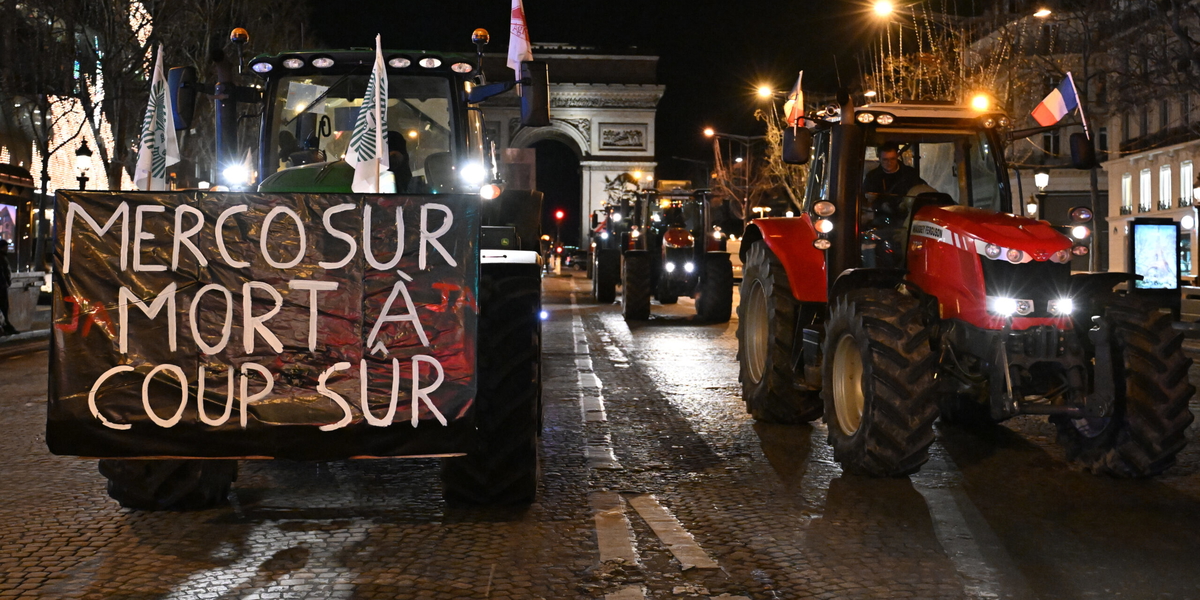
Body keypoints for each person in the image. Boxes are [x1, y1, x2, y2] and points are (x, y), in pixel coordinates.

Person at [0, 239, 16, 335]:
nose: (7, 248)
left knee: (4, 308)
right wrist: (5, 282)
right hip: (2, 287)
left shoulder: (3, 257)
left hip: (3, 286)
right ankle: (6, 327)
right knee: (3, 307)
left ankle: (6, 327)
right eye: (5, 246)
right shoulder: (1, 257)